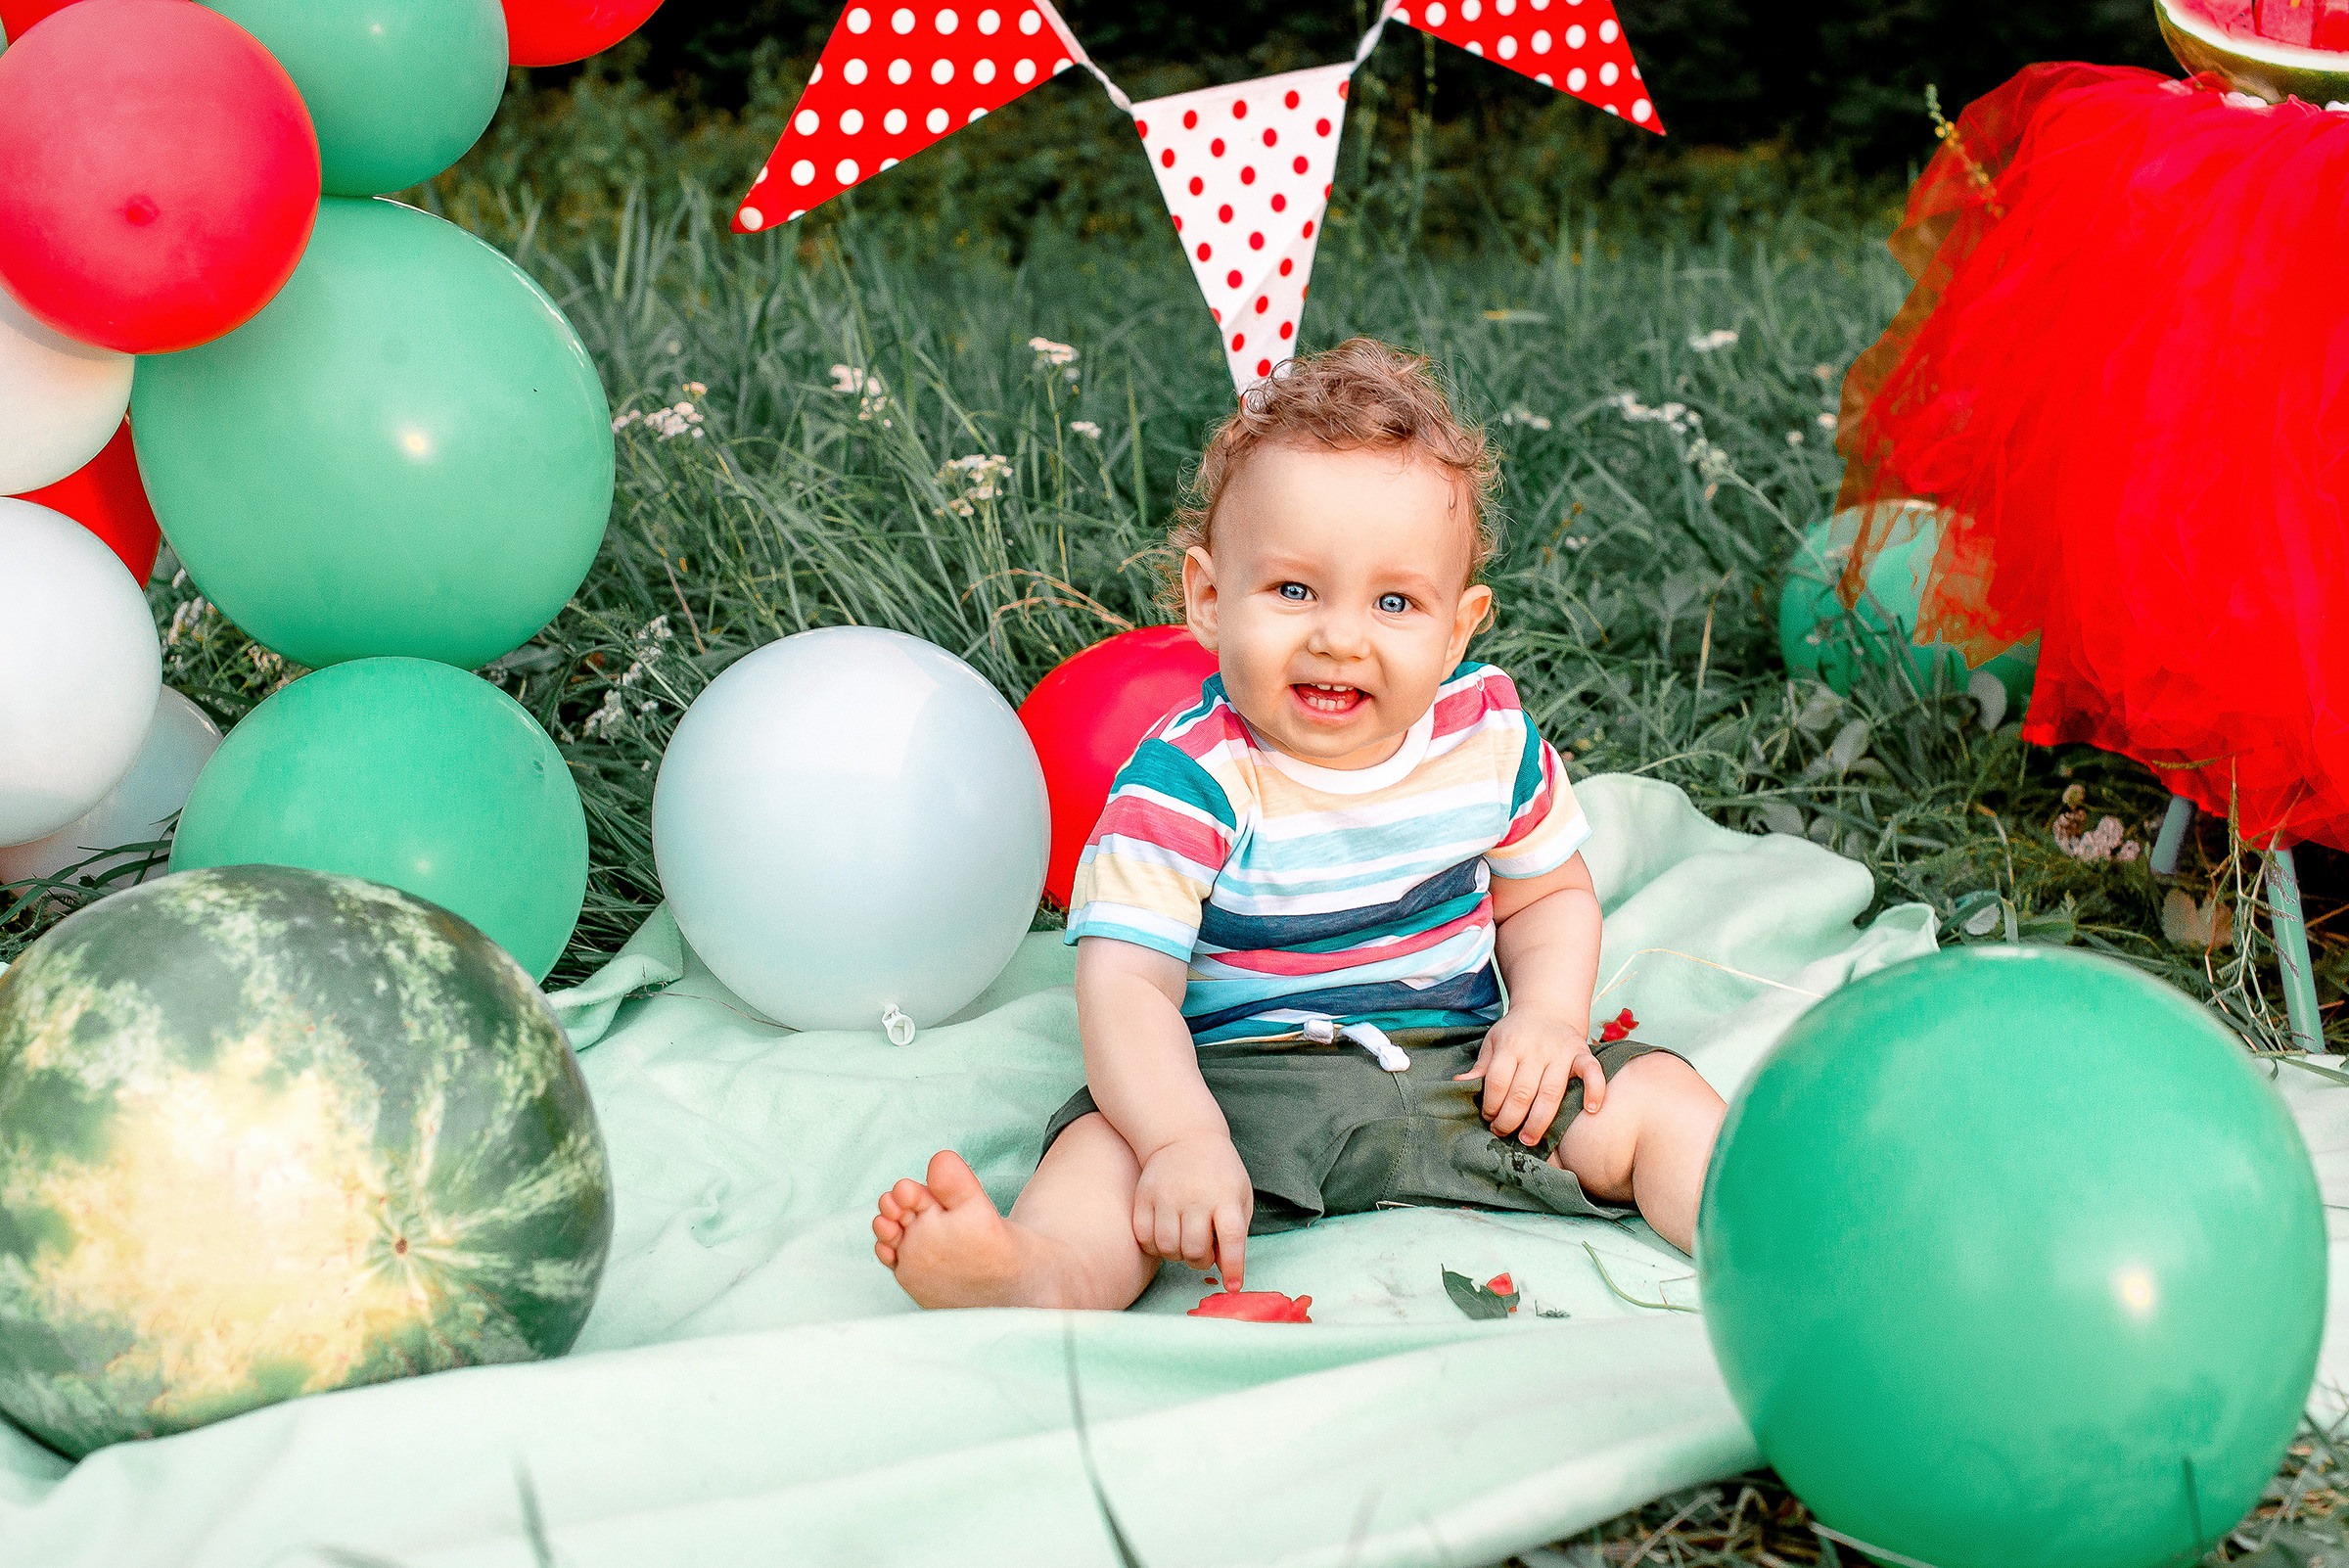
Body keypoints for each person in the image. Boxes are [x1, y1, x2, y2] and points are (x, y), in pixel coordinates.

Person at [872, 339, 1726, 1310]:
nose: (1340, 635)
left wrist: (1545, 1017)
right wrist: (1180, 1140)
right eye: (1293, 589)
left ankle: (1773, 1236)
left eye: (1394, 600)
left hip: (1467, 1070)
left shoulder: (1488, 736)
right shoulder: (1185, 780)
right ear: (1207, 597)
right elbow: (1127, 989)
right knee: (1106, 1151)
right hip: (1241, 1089)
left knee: (1653, 1095)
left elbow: (1549, 900)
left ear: (1458, 627)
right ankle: (1037, 1271)